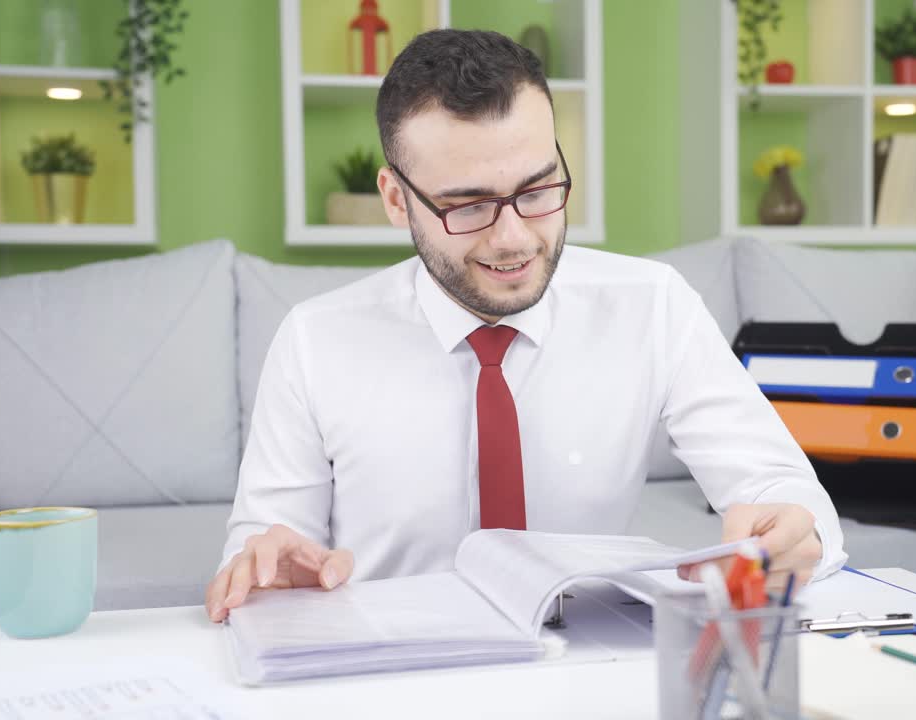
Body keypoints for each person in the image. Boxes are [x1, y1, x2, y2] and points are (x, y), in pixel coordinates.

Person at [205, 29, 845, 623]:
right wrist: (268, 574)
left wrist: (797, 531)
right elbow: (263, 546)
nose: (513, 238)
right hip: (391, 664)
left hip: (591, 658)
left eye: (537, 191)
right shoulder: (315, 340)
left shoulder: (654, 306)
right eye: (468, 205)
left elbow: (783, 490)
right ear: (397, 199)